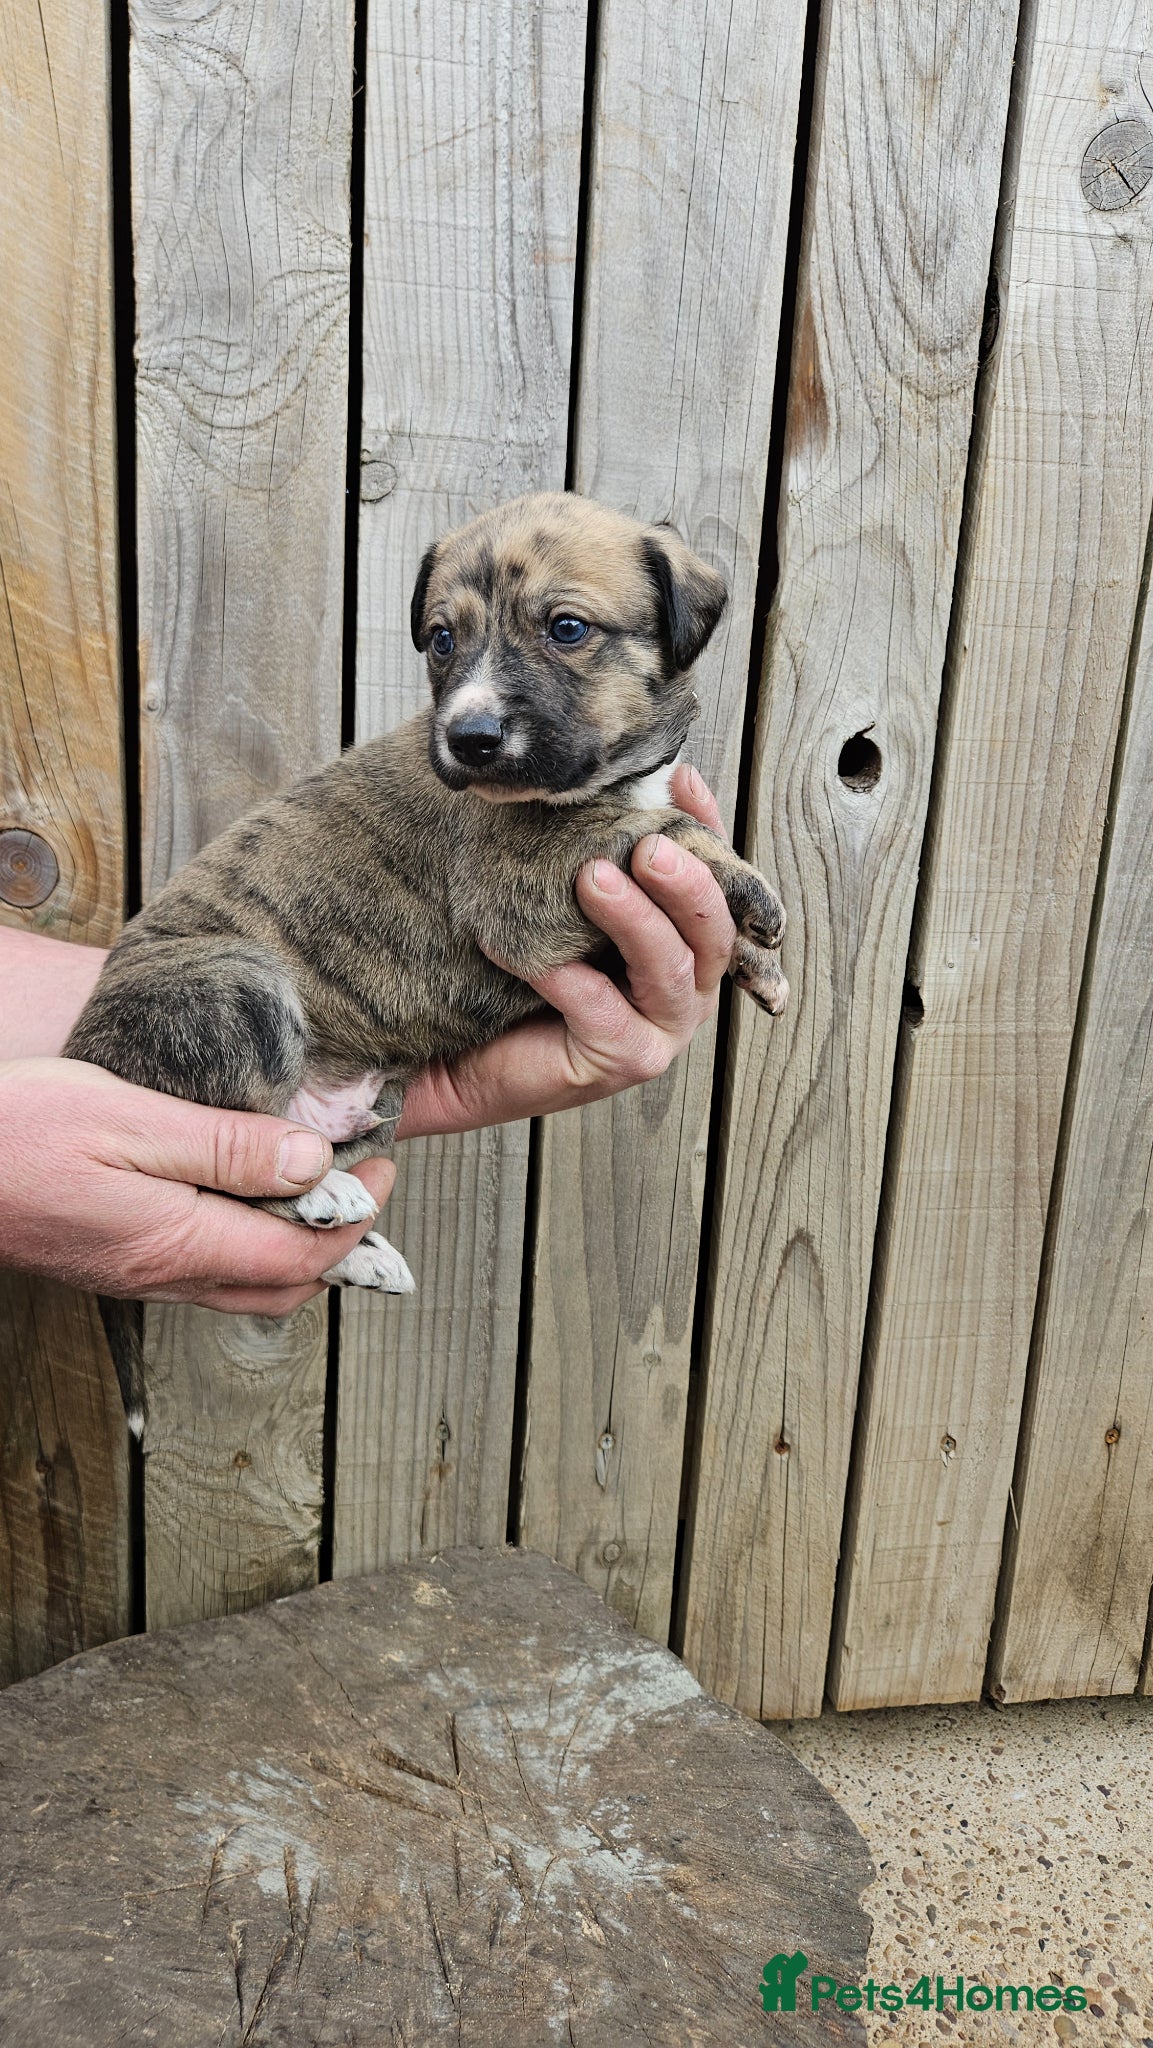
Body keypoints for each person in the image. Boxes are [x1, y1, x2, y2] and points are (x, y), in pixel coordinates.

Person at [0, 767, 736, 1317]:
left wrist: (436, 1074)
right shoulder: (474, 791)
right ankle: (275, 1198)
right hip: (239, 1009)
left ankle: (280, 1190)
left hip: (299, 1032)